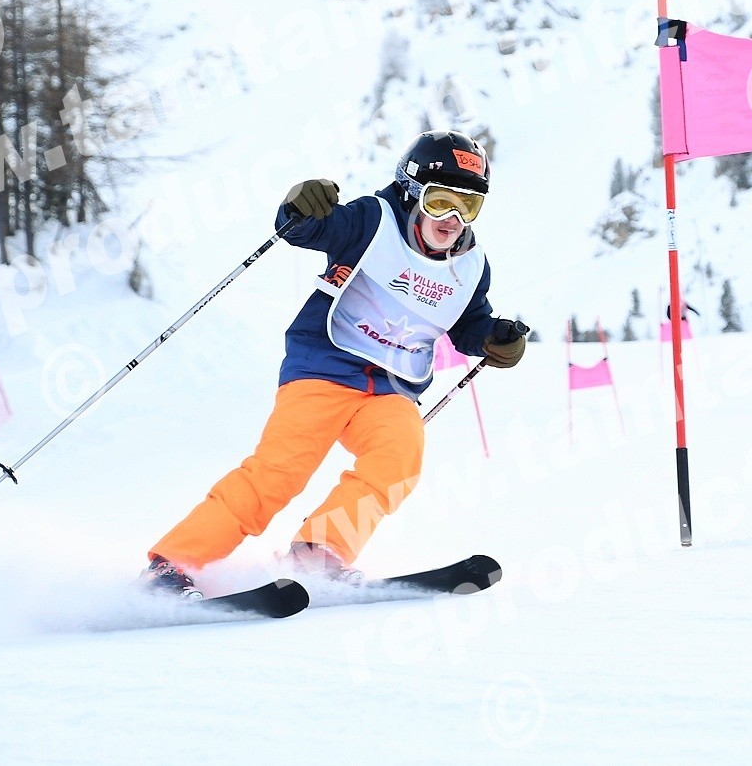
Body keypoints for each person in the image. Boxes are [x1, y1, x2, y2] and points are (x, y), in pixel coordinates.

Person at [142, 130, 527, 597]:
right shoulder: (372, 222)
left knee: (398, 460)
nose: (452, 219)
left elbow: (468, 323)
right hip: (323, 369)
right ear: (411, 193)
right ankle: (173, 564)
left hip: (390, 388)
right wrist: (302, 208)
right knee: (278, 473)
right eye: (440, 200)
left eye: (467, 206)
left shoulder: (470, 265)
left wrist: (492, 339)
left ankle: (317, 553)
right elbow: (309, 229)